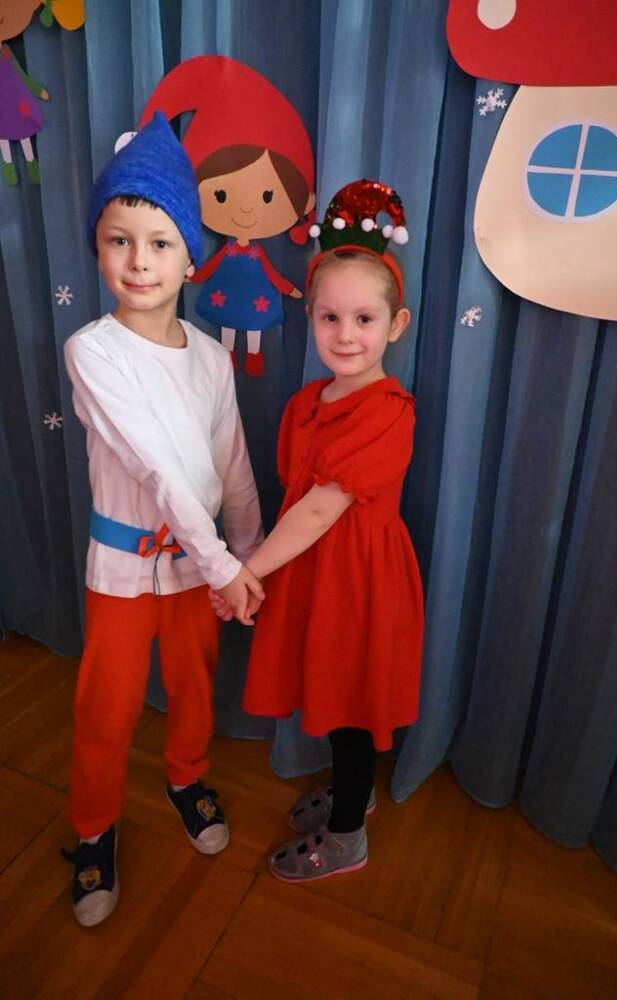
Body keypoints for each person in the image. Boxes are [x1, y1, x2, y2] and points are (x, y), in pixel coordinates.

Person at [61, 112, 264, 927]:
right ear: (98, 247)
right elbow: (156, 464)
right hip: (123, 569)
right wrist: (226, 565)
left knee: (192, 686)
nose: (138, 261)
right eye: (119, 241)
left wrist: (246, 556)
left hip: (196, 568)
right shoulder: (93, 350)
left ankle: (186, 777)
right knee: (106, 709)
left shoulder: (212, 357)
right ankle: (92, 830)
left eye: (158, 243)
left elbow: (231, 464)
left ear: (189, 257)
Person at [210, 179, 424, 882]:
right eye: (330, 317)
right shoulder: (306, 402)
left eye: (364, 319)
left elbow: (316, 511)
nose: (345, 335)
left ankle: (346, 836)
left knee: (351, 706)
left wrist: (246, 571)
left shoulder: (389, 410)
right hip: (314, 572)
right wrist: (258, 568)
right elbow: (294, 502)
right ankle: (353, 794)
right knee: (333, 694)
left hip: (358, 582)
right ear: (311, 319)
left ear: (396, 325)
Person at [139, 54, 316, 376]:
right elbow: (210, 267)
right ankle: (229, 354)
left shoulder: (253, 252)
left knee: (253, 326)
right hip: (229, 295)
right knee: (229, 326)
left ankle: (254, 355)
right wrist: (192, 277)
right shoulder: (230, 250)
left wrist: (286, 287)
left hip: (253, 297)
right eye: (220, 195)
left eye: (267, 196)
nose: (246, 209)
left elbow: (269, 272)